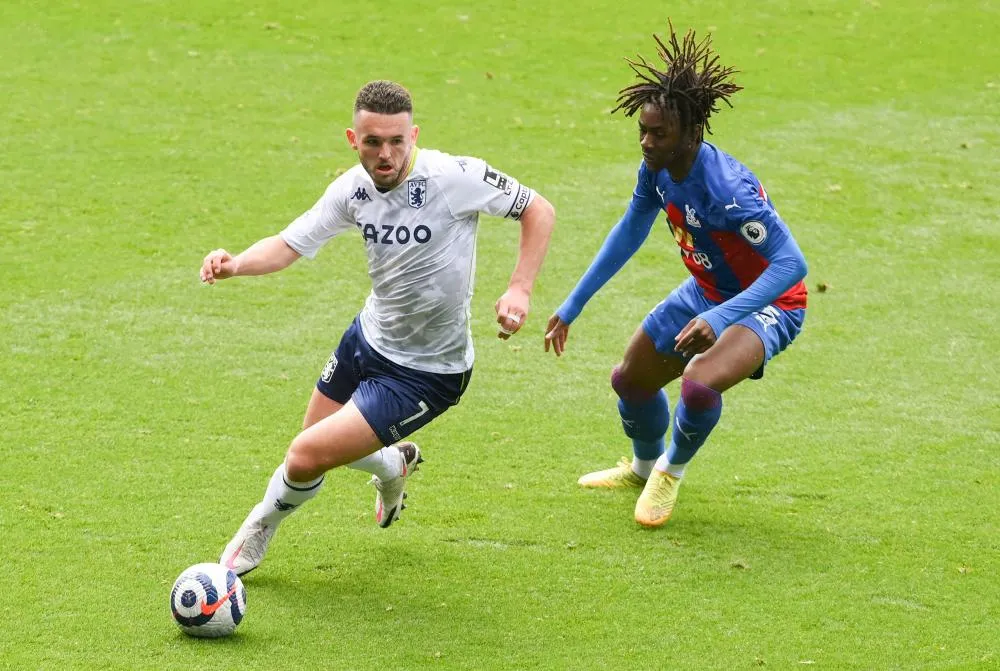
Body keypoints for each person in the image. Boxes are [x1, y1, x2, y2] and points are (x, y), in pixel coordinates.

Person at [201, 80, 555, 575]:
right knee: (312, 448)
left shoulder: (454, 176)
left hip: (426, 373)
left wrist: (520, 287)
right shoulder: (352, 189)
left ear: (414, 135)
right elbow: (289, 243)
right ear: (353, 139)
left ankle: (258, 527)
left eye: (396, 141)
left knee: (304, 455)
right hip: (366, 339)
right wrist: (235, 264)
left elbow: (537, 209)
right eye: (372, 142)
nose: (385, 154)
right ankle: (393, 464)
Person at [543, 23, 808, 528]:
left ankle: (670, 471)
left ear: (691, 132)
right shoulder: (658, 168)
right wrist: (573, 304)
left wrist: (724, 316)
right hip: (708, 292)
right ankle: (642, 468)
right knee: (631, 380)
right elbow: (629, 231)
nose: (645, 141)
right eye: (642, 130)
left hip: (769, 302)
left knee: (699, 385)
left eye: (657, 133)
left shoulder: (730, 191)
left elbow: (792, 265)